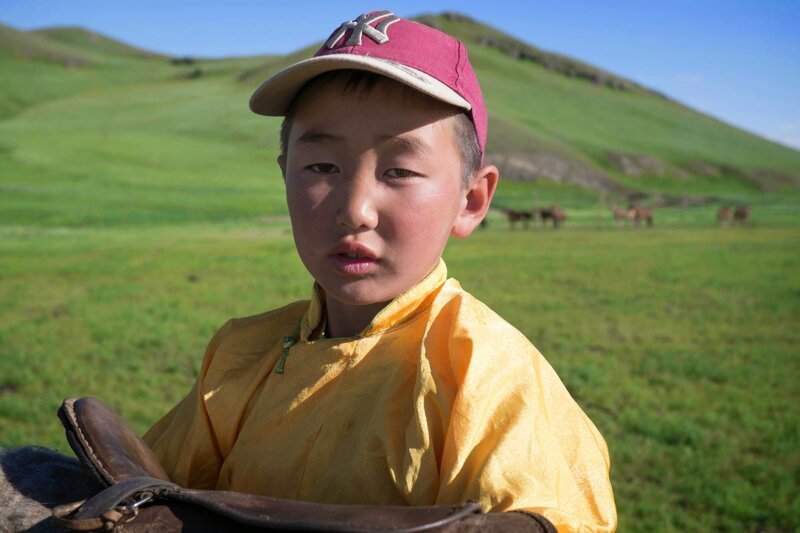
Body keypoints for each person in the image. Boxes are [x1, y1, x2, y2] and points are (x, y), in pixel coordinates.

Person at [143, 10, 617, 532]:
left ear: (471, 201)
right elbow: (152, 487)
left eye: (399, 171)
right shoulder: (238, 353)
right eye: (322, 167)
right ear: (285, 176)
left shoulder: (490, 380)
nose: (355, 210)